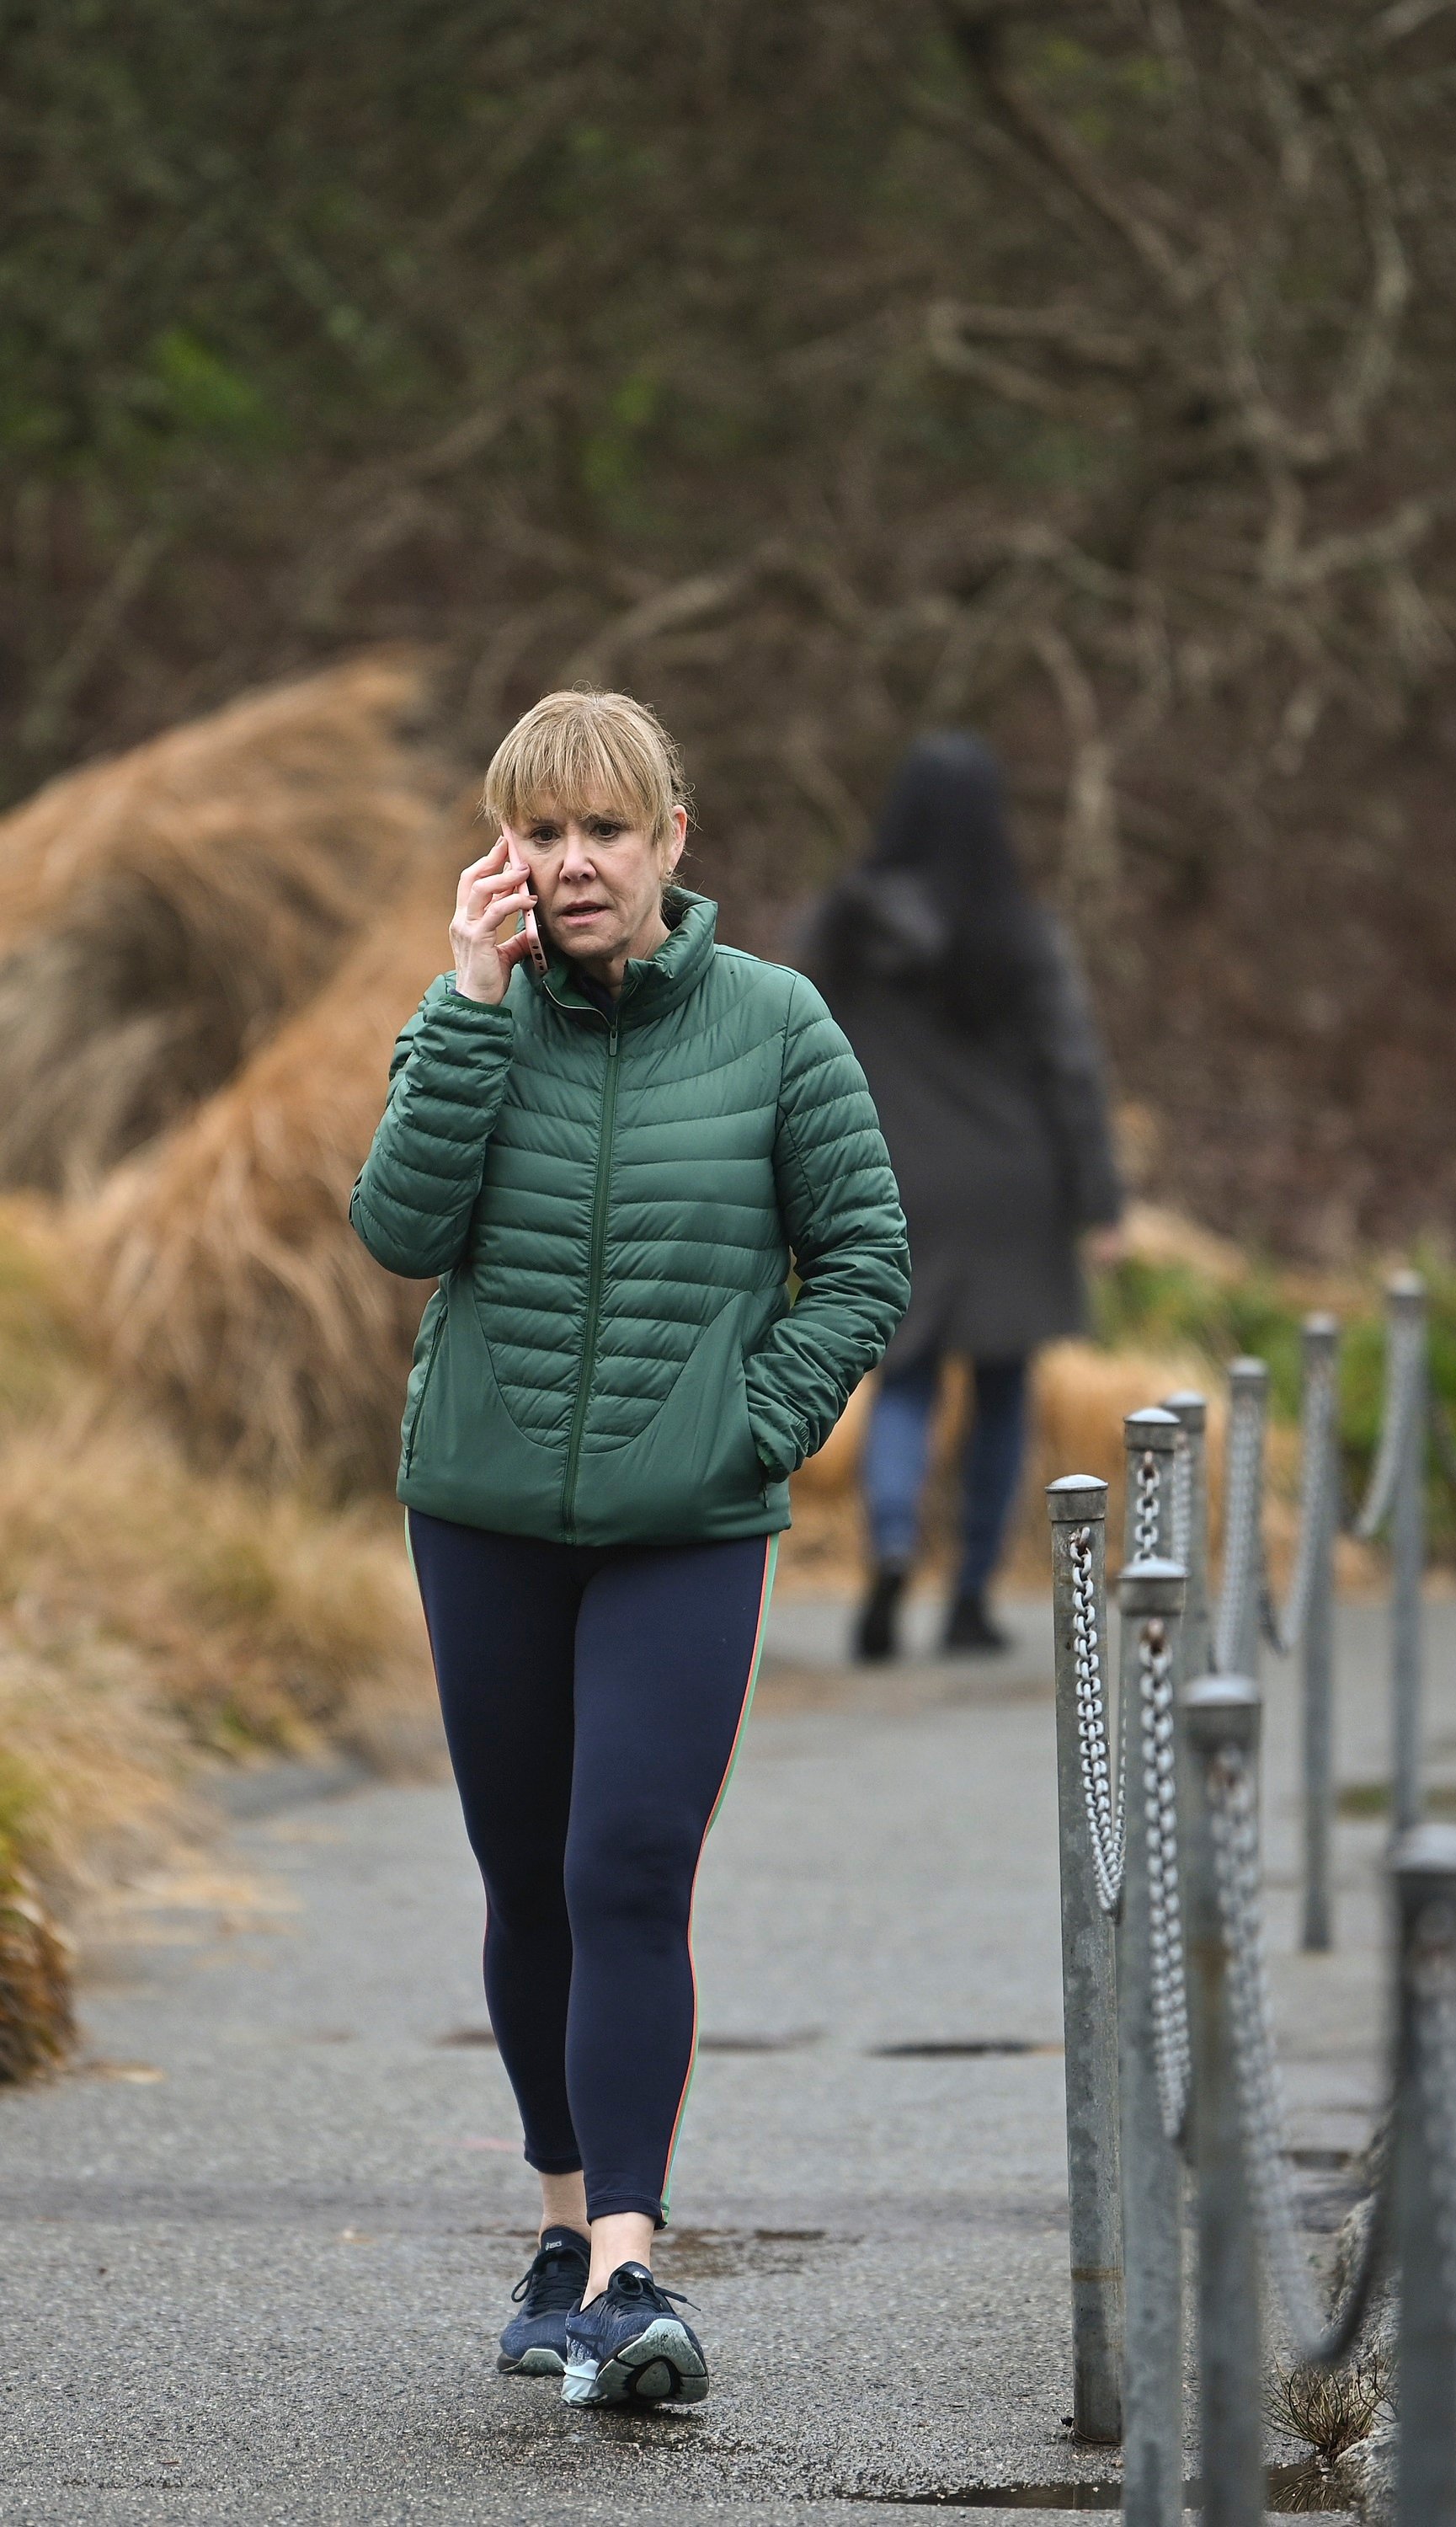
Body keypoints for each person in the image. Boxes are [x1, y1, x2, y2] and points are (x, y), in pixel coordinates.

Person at [349, 690, 907, 2410]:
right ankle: (558, 2220)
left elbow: (868, 1261)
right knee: (528, 1880)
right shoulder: (473, 1022)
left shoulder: (777, 1024)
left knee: (626, 1868)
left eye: (607, 828)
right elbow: (398, 1228)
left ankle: (632, 2271)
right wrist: (464, 1003)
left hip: (685, 1533)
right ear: (501, 851)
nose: (574, 861)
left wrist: (742, 1428)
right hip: (487, 1519)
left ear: (675, 839)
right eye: (541, 830)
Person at [803, 731, 1123, 1661]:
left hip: (899, 1182)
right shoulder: (1016, 929)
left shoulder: (842, 929)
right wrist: (1098, 1200)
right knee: (1002, 1389)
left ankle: (893, 1544)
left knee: (899, 1375)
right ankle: (972, 1595)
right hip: (1011, 1189)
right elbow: (1070, 1068)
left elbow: (801, 1052)